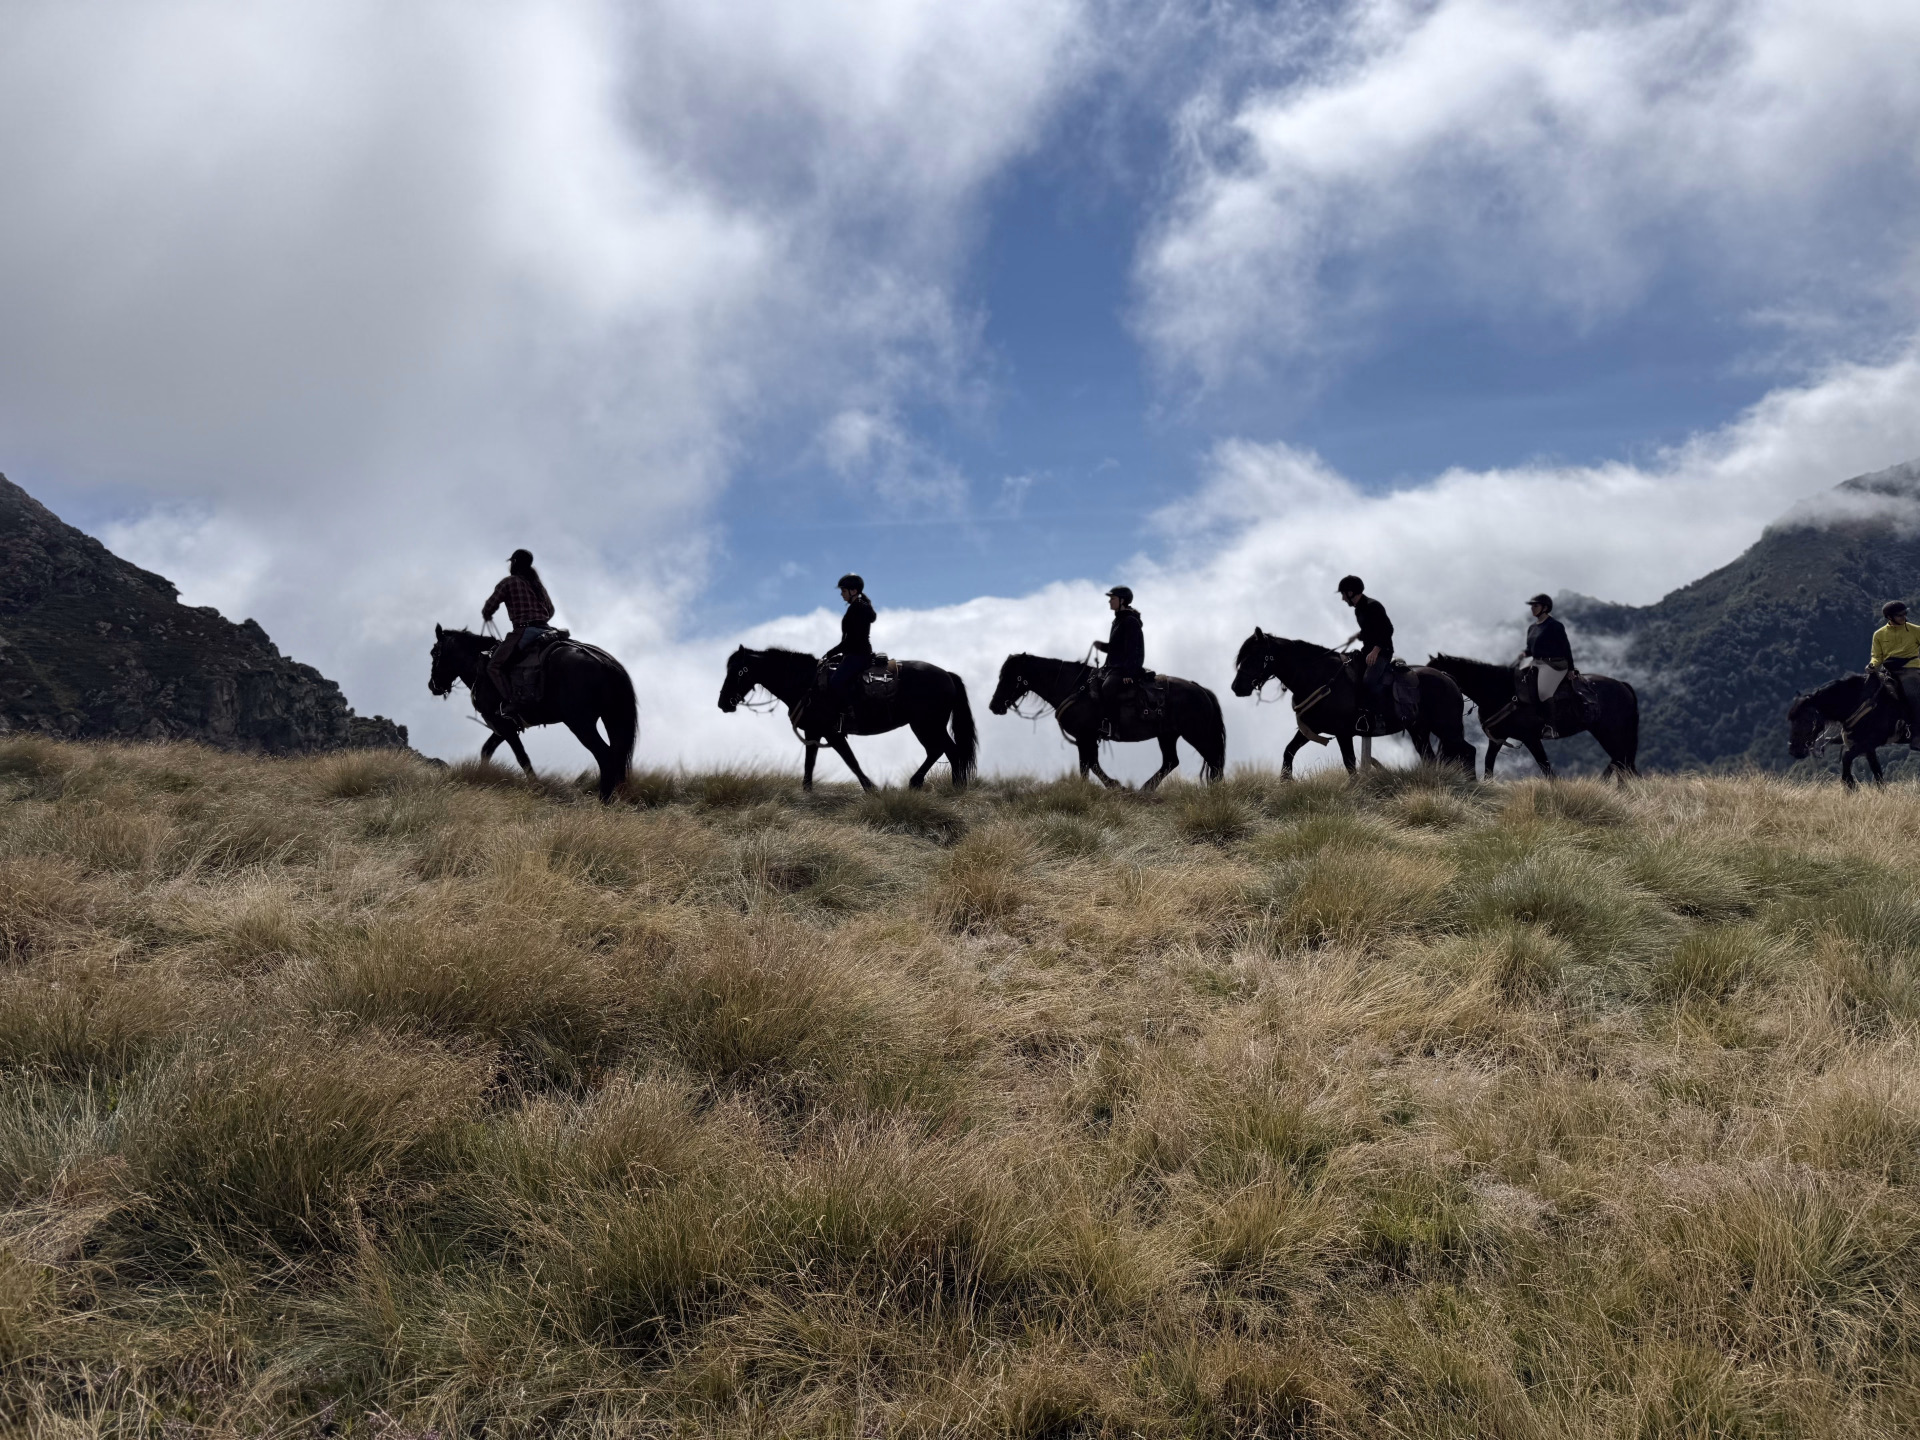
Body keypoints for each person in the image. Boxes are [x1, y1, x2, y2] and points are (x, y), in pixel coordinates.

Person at [481, 548, 556, 722]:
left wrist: (487, 613)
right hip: (547, 630)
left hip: (524, 631)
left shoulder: (509, 582)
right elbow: (551, 610)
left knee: (494, 665)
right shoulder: (537, 585)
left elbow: (491, 605)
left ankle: (513, 703)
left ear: (514, 563)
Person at [820, 573, 877, 729]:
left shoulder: (858, 608)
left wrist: (831, 653)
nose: (841, 594)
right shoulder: (857, 607)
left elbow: (852, 640)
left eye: (843, 591)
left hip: (858, 654)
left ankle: (850, 716)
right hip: (854, 653)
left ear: (854, 591)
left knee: (836, 682)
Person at [1338, 575, 1394, 731]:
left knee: (1369, 681)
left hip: (1382, 652)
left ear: (1350, 593)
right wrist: (1357, 636)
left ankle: (1379, 716)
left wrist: (1376, 651)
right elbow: (1370, 630)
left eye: (1343, 594)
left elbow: (1387, 630)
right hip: (1367, 651)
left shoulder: (1373, 606)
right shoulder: (1359, 610)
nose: (1343, 598)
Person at [1090, 585, 1151, 726]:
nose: (1109, 601)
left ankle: (1114, 726)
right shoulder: (1118, 621)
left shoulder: (1130, 621)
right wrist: (1102, 646)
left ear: (1122, 601)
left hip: (1124, 670)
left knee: (1108, 688)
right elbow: (1116, 649)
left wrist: (1129, 673)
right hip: (1113, 668)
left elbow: (1132, 649)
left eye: (1113, 598)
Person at [1867, 599, 1920, 750]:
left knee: (1913, 695)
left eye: (1904, 614)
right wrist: (1873, 665)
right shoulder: (1879, 634)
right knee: (1868, 692)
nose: (1903, 617)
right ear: (1889, 617)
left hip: (1910, 669)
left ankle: (1917, 735)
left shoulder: (1916, 630)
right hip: (1888, 670)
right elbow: (1877, 656)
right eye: (1899, 615)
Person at [1516, 593, 1574, 713]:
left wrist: (1571, 669)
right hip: (1536, 663)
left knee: (1544, 693)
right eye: (1532, 606)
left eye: (1536, 606)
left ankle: (1551, 723)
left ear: (1545, 608)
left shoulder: (1555, 625)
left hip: (1554, 665)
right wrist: (1524, 653)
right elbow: (1530, 648)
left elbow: (1566, 648)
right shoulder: (1532, 628)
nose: (1532, 608)